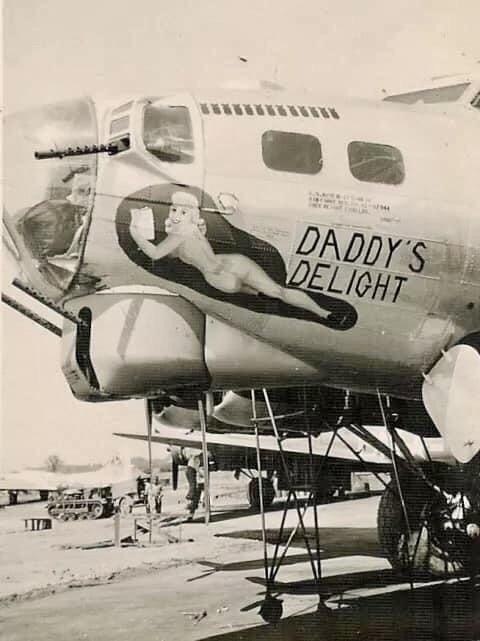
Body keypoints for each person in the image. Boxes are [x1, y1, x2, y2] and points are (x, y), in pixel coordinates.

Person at [129, 191, 332, 322]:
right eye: (174, 209)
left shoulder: (179, 235)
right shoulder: (194, 228)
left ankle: (267, 298)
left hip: (219, 279)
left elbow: (155, 254)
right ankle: (321, 312)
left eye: (181, 211)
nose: (175, 214)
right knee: (278, 291)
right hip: (233, 262)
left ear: (189, 214)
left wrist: (135, 232)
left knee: (259, 293)